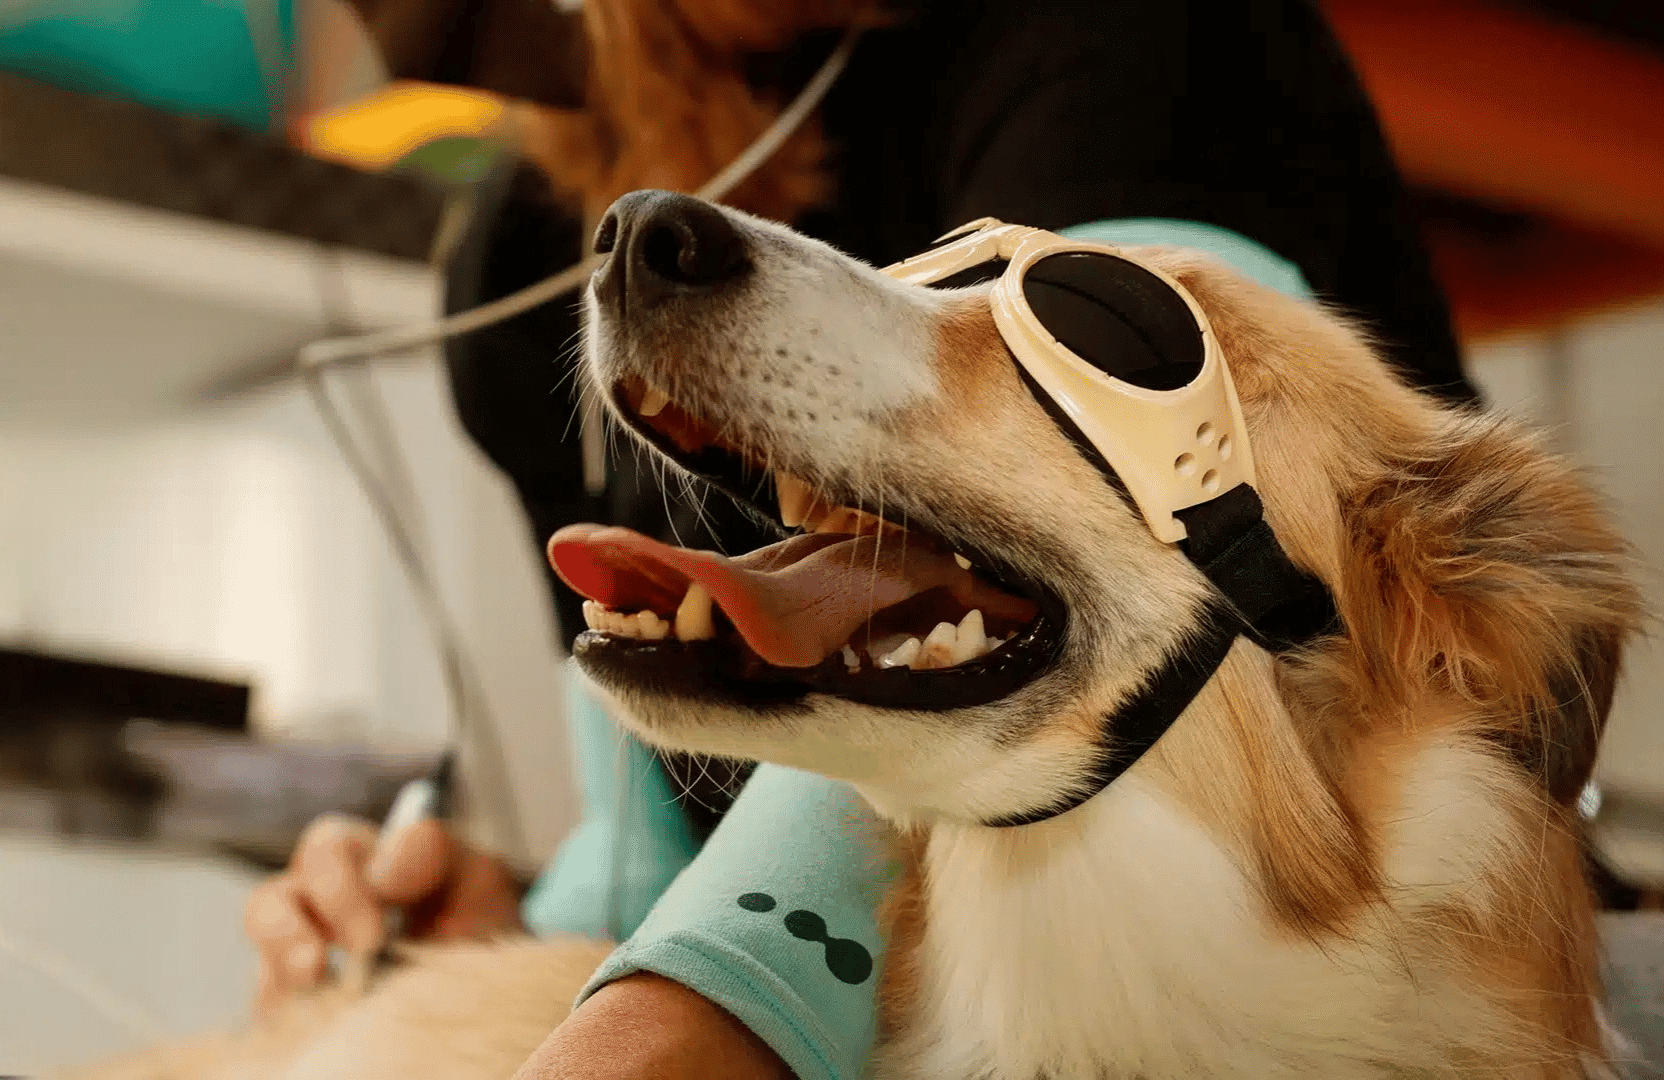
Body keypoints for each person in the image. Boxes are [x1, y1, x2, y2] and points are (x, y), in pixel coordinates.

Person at [246, 1, 1483, 1077]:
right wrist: (519, 926)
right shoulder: (523, 253)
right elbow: (651, 840)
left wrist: (699, 993)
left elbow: (1202, 512)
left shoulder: (1124, 41)